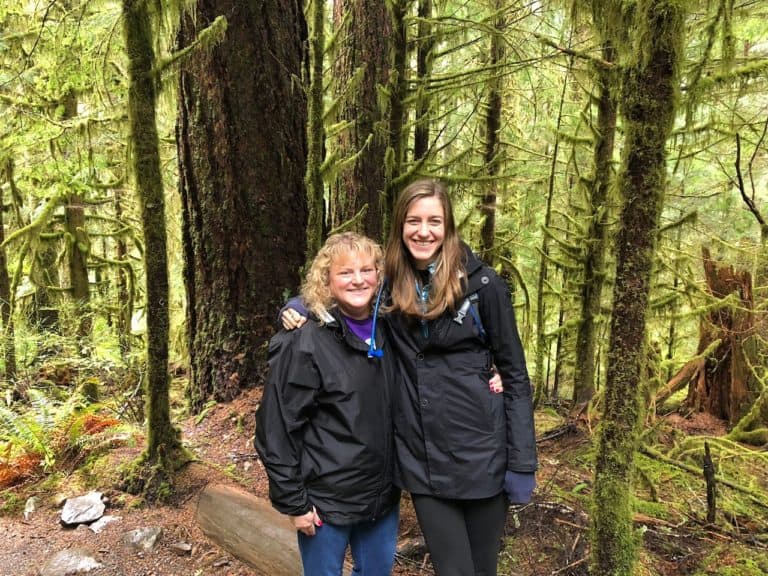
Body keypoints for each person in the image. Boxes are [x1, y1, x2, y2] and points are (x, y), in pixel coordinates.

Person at [281, 179, 537, 576]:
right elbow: (347, 287)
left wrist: (523, 463)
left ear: (448, 226)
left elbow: (516, 377)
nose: (424, 230)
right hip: (423, 460)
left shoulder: (483, 285)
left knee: (482, 569)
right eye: (414, 220)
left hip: (483, 453)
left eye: (434, 221)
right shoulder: (390, 284)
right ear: (401, 225)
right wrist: (295, 307)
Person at [255, 232, 400, 576]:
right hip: (325, 504)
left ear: (379, 275)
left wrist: (492, 371)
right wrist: (294, 502)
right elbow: (276, 427)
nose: (358, 280)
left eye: (367, 270)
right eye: (346, 272)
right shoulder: (306, 340)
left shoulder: (392, 328)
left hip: (382, 496)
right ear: (326, 279)